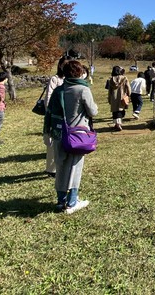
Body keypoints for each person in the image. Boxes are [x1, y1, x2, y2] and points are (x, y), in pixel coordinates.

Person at [44, 59, 98, 214]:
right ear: (80, 72)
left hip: (58, 133)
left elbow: (49, 112)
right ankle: (72, 202)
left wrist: (46, 131)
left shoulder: (59, 90)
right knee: (75, 167)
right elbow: (93, 111)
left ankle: (60, 201)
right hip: (77, 135)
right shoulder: (82, 89)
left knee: (60, 166)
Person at [42, 56, 68, 177]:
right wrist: (50, 113)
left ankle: (63, 166)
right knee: (53, 142)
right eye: (64, 64)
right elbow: (48, 97)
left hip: (68, 116)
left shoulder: (71, 79)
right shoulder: (55, 79)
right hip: (56, 116)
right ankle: (51, 169)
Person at [108, 65, 131, 131]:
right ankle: (118, 124)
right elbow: (128, 88)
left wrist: (109, 98)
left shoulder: (111, 79)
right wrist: (129, 95)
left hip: (113, 97)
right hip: (122, 97)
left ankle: (116, 124)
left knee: (115, 111)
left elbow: (110, 90)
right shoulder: (124, 78)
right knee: (121, 110)